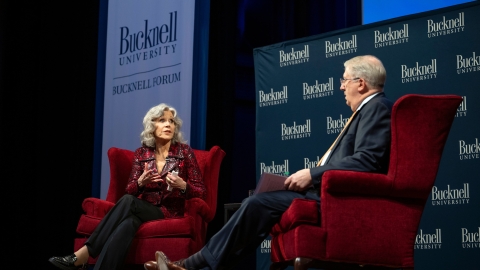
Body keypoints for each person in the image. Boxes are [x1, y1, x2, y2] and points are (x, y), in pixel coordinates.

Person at [145, 55, 394, 270]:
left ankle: (191, 264)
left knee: (256, 204)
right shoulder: (366, 111)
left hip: (335, 199)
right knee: (258, 198)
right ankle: (196, 264)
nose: (341, 87)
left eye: (344, 80)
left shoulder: (376, 107)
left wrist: (313, 174)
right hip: (326, 192)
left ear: (361, 83)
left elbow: (367, 161)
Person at [49, 103, 206, 270]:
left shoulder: (185, 152)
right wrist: (141, 183)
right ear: (151, 126)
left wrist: (183, 186)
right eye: (162, 120)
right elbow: (130, 189)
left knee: (129, 202)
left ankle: (83, 254)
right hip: (145, 209)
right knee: (128, 223)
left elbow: (201, 192)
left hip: (169, 211)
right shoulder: (141, 153)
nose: (168, 124)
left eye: (172, 121)